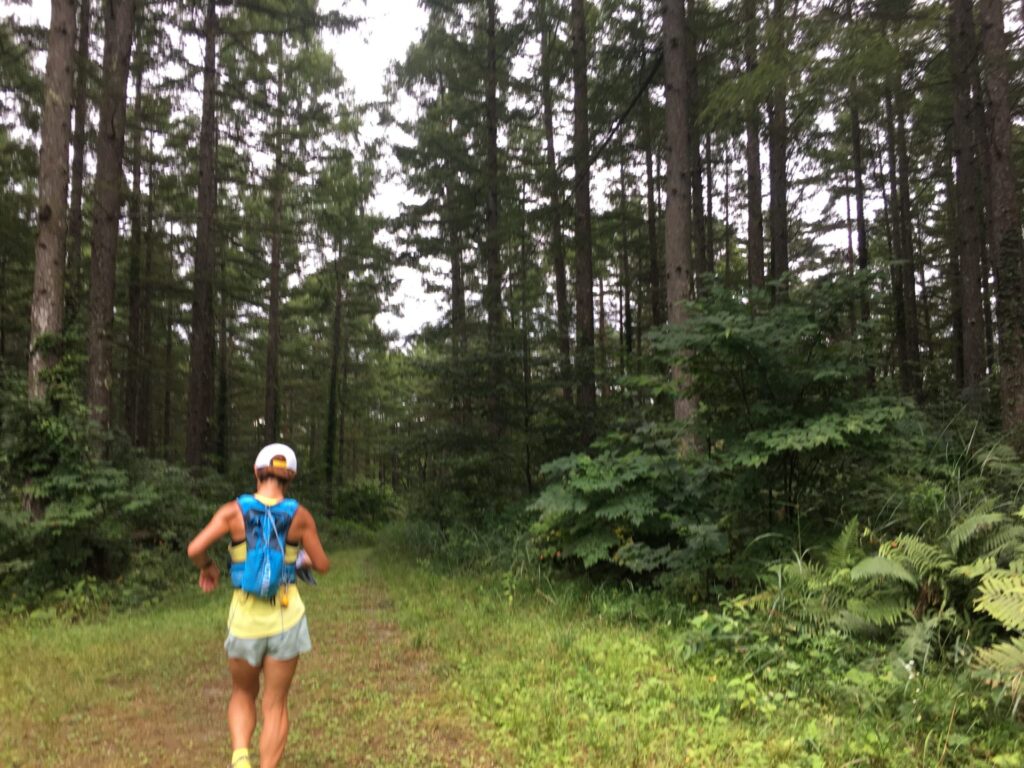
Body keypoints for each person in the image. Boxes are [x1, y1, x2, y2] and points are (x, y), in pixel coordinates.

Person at [188, 443, 330, 768]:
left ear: (256, 471)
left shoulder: (233, 511)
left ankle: (241, 759)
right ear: (290, 477)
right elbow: (322, 564)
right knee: (275, 703)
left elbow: (195, 549)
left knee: (242, 692)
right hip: (286, 618)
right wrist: (299, 560)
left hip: (245, 619)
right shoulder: (300, 516)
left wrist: (208, 567)